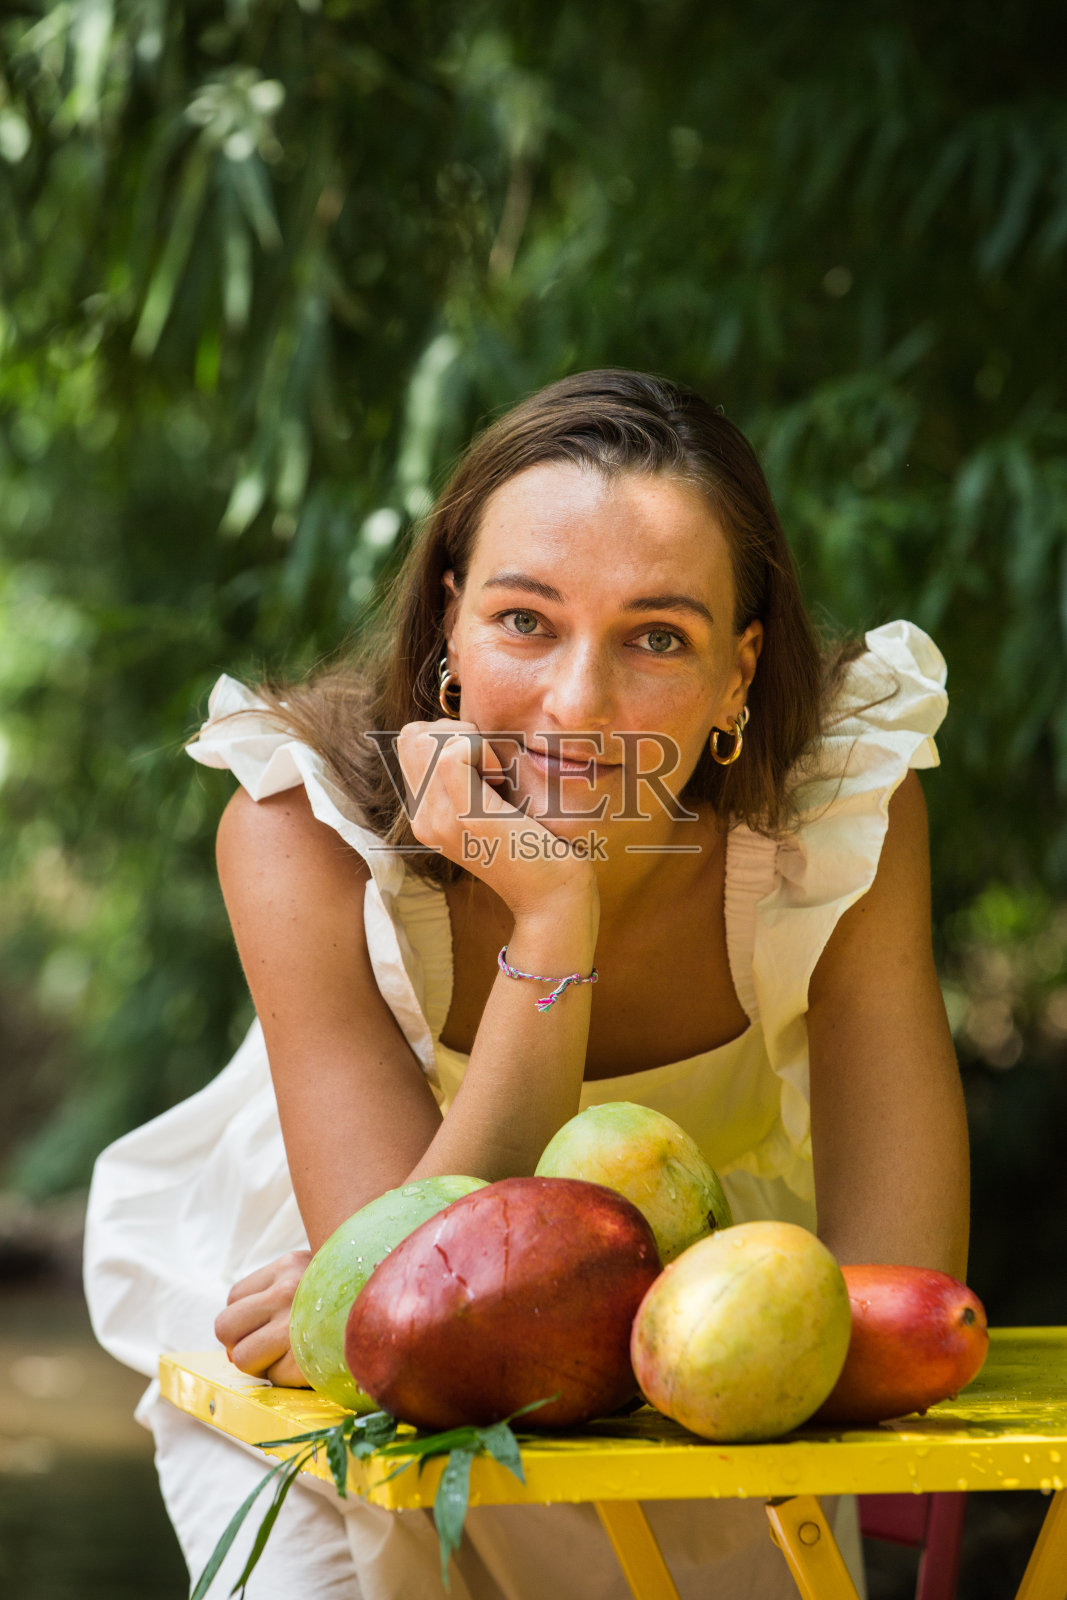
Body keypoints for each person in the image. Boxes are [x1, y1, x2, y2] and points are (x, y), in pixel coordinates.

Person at [84, 368, 969, 1599]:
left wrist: (612, 1319)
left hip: (695, 1385)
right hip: (327, 1407)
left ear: (739, 672)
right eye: (523, 620)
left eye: (656, 637)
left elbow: (900, 1295)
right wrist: (553, 920)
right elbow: (404, 1326)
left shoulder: (837, 822)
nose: (576, 704)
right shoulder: (300, 835)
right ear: (448, 626)